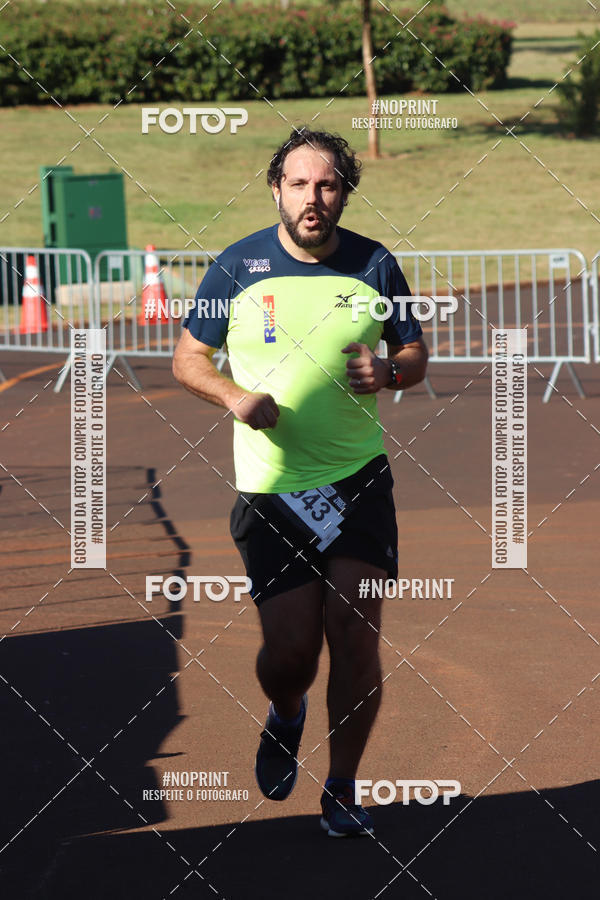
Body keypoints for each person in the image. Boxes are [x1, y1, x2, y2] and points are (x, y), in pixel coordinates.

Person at [173, 127, 428, 837]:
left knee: (354, 635)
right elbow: (189, 357)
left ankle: (342, 786)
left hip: (358, 483)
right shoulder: (236, 267)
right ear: (276, 189)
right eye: (299, 184)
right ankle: (286, 715)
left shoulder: (375, 263)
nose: (313, 199)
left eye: (327, 185)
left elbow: (412, 351)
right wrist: (232, 398)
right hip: (271, 491)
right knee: (289, 655)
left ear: (343, 191)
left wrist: (393, 371)